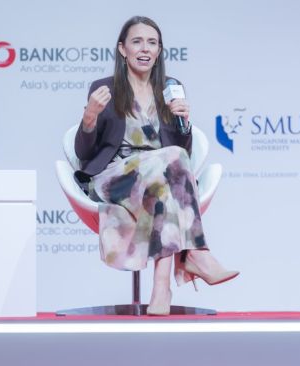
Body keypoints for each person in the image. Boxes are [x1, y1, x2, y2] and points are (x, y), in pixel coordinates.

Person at [74, 16, 239, 316]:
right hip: (116, 177)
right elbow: (84, 153)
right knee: (169, 164)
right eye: (137, 41)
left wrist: (184, 125)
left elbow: (182, 156)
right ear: (123, 49)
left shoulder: (170, 89)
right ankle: (195, 254)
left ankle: (161, 287)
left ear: (159, 50)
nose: (145, 48)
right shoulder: (104, 89)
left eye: (152, 42)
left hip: (159, 177)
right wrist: (89, 116)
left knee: (168, 172)